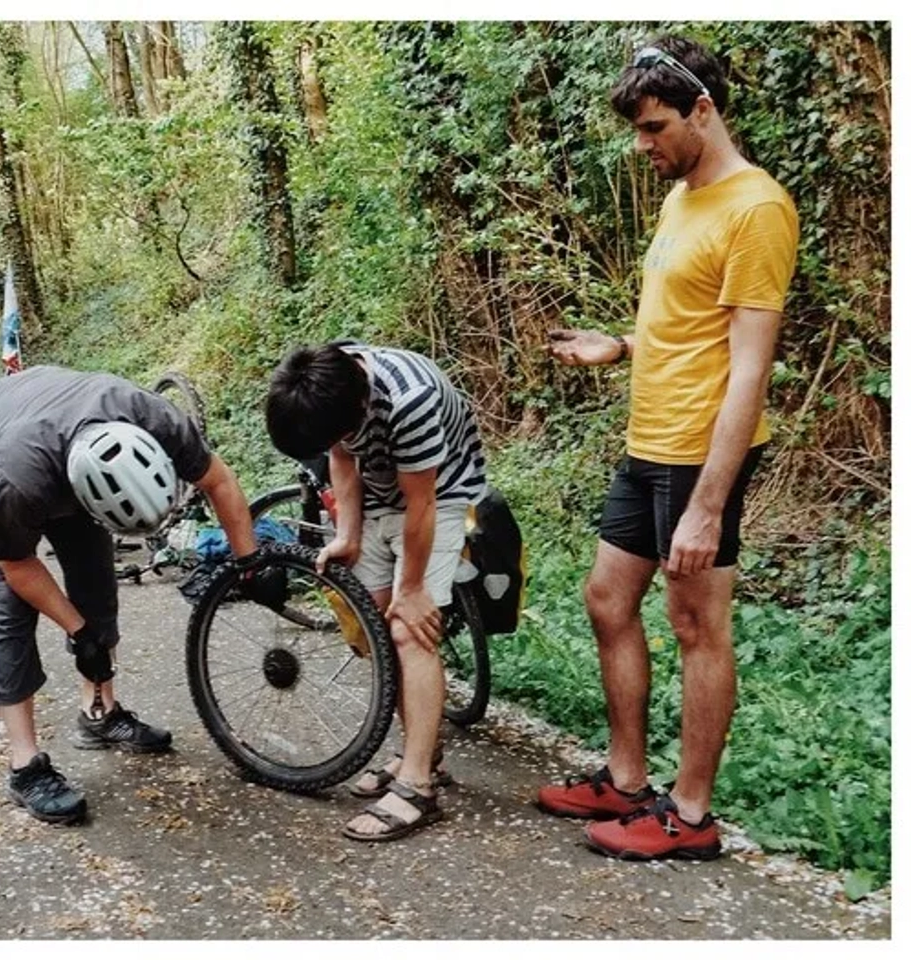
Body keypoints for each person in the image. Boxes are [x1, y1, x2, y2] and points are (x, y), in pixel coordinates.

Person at [538, 35, 799, 861]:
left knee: (696, 625)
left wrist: (709, 506)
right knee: (608, 600)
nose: (642, 147)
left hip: (701, 453)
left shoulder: (756, 208)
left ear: (702, 111)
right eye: (639, 133)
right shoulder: (682, 196)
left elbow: (749, 369)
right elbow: (685, 328)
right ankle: (625, 781)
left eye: (654, 129)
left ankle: (690, 816)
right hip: (648, 438)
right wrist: (617, 344)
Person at [0, 365, 273, 825]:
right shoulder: (17, 480)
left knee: (96, 580)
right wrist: (79, 633)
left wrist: (249, 565)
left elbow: (219, 481)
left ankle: (99, 714)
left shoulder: (154, 418)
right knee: (9, 604)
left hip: (55, 428)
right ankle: (25, 767)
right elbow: (17, 566)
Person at [266, 341, 486, 841]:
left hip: (440, 495)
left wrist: (411, 589)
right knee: (372, 629)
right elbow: (342, 458)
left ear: (361, 408)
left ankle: (418, 788)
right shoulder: (327, 384)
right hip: (381, 490)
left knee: (409, 630)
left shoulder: (413, 399)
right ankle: (422, 752)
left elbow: (423, 503)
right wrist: (348, 533)